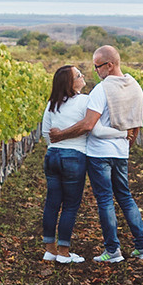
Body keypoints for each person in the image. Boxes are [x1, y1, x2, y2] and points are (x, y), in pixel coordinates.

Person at [80, 44, 143, 263]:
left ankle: (112, 251)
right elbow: (136, 124)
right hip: (121, 153)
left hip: (99, 153)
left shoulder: (102, 90)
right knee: (126, 197)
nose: (96, 71)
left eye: (97, 66)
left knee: (105, 201)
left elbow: (90, 125)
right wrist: (126, 141)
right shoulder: (135, 86)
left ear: (109, 65)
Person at [41, 63, 99, 264]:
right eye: (78, 75)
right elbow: (90, 127)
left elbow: (45, 133)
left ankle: (50, 250)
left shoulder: (52, 104)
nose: (83, 77)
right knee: (70, 206)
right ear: (70, 83)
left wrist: (56, 144)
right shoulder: (85, 101)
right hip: (74, 157)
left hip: (52, 156)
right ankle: (64, 253)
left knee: (52, 202)